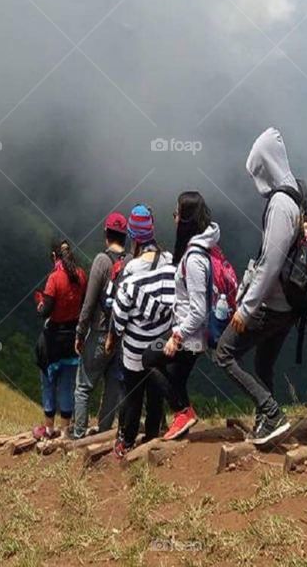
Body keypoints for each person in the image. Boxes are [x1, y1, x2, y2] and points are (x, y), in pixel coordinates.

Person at [214, 128, 298, 445]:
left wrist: (246, 309)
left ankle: (272, 413)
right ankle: (267, 421)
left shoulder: (279, 205)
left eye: (258, 171)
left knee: (224, 353)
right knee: (264, 361)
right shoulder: (299, 191)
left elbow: (271, 262)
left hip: (271, 304)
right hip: (290, 304)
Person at [144, 192, 219, 440]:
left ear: (185, 219)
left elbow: (198, 308)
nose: (174, 219)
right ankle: (182, 415)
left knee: (149, 359)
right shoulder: (197, 250)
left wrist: (176, 337)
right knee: (175, 378)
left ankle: (182, 412)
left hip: (189, 335)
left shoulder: (195, 257)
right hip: (190, 333)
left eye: (177, 214)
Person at [109, 204, 177, 457]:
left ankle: (126, 440)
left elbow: (120, 318)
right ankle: (152, 435)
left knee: (132, 394)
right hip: (160, 345)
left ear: (134, 237)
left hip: (135, 348)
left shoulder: (130, 273)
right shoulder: (170, 264)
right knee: (155, 392)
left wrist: (115, 334)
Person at [72, 212, 128, 440]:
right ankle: (104, 435)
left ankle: (79, 435)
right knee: (112, 389)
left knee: (83, 387)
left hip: (100, 331)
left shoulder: (101, 261)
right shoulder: (132, 261)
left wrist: (79, 332)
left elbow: (89, 301)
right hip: (122, 335)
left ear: (106, 234)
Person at [34, 239, 87, 440]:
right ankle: (65, 430)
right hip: (73, 336)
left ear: (55, 257)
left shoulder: (54, 278)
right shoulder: (81, 275)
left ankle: (48, 429)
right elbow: (83, 303)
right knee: (67, 384)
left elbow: (45, 310)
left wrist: (40, 304)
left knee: (48, 381)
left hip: (53, 337)